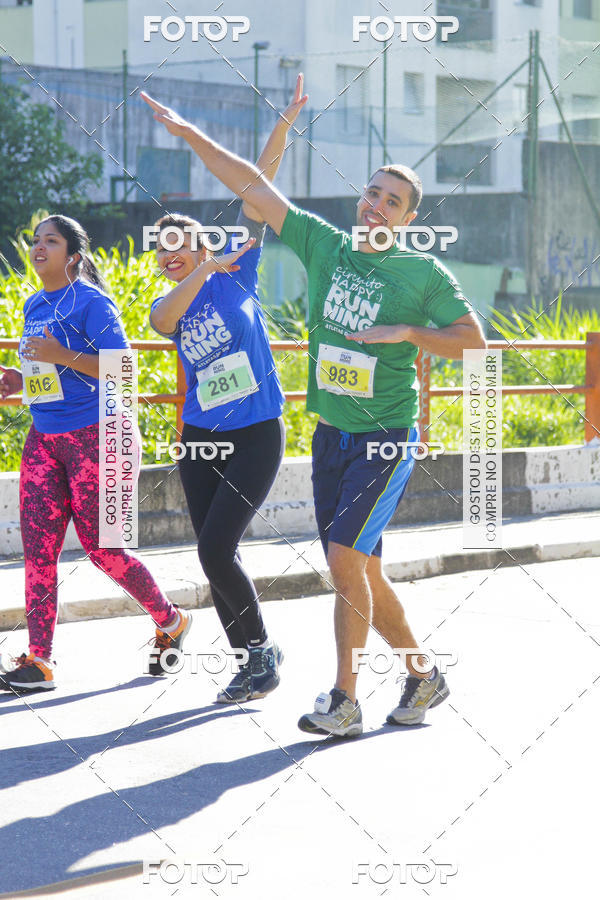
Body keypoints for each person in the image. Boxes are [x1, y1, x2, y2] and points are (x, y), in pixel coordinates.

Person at [141, 85, 486, 737]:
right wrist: (189, 135)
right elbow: (252, 187)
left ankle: (344, 700)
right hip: (331, 437)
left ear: (408, 217)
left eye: (392, 201)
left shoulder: (422, 274)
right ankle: (422, 674)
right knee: (363, 568)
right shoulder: (325, 246)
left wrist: (409, 333)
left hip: (384, 438)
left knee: (343, 561)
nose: (376, 205)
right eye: (372, 193)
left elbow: (475, 343)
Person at [148, 75, 308, 704]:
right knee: (212, 554)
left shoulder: (239, 271)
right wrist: (199, 269)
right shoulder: (174, 300)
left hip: (256, 433)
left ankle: (259, 654)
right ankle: (252, 660)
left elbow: (257, 185)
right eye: (162, 252)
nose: (169, 255)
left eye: (179, 245)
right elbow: (163, 320)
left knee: (218, 548)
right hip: (200, 436)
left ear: (200, 242)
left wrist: (284, 125)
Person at [0, 215, 191, 693]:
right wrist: (20, 378)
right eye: (37, 240)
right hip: (45, 437)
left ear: (74, 256)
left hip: (100, 436)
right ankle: (39, 661)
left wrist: (60, 355)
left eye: (51, 241)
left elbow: (121, 369)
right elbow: (48, 372)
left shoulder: (92, 303)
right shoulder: (33, 304)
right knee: (38, 551)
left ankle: (170, 620)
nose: (39, 247)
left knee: (104, 551)